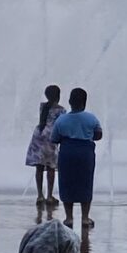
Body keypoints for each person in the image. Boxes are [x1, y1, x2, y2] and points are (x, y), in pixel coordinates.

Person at [53, 88, 105, 229]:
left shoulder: (61, 120)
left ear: (70, 102)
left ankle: (69, 218)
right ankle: (85, 218)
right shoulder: (91, 118)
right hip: (85, 153)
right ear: (85, 102)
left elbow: (54, 138)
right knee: (85, 183)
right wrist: (88, 135)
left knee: (66, 183)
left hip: (67, 153)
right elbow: (99, 134)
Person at [25, 85, 65, 206]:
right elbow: (61, 125)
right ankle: (49, 196)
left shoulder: (43, 107)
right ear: (58, 96)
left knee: (39, 167)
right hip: (51, 137)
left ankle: (40, 196)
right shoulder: (61, 110)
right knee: (51, 168)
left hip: (39, 135)